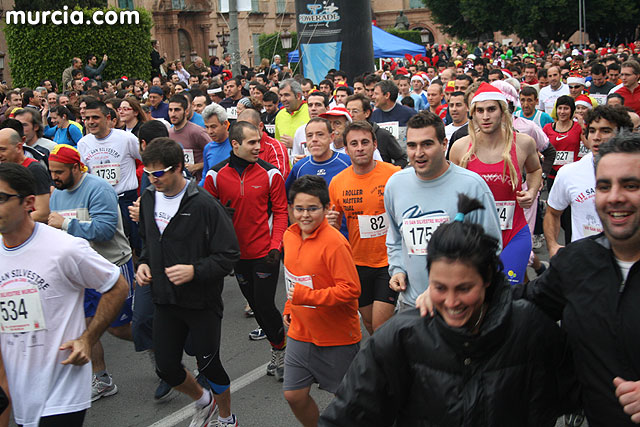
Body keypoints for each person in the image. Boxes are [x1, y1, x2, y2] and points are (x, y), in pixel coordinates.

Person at [321, 194, 577, 426]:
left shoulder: (529, 327)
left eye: (464, 288)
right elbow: (347, 416)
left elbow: (580, 390)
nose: (452, 302)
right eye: (440, 288)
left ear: (487, 279)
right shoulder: (400, 337)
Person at [0, 162, 128, 426]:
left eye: (1, 198)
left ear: (29, 203)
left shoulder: (64, 248)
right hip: (20, 390)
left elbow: (116, 285)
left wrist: (87, 339)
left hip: (62, 388)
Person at [136, 137, 241, 427]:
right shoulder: (148, 197)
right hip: (165, 298)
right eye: (148, 173)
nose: (153, 179)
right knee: (166, 368)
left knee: (209, 365)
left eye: (159, 173)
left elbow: (229, 255)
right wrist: (144, 263)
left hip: (200, 301)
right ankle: (203, 401)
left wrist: (194, 270)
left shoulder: (204, 204)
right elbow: (148, 242)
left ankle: (226, 418)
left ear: (179, 168)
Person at [384, 111, 501, 309]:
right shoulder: (395, 184)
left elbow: (491, 248)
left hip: (458, 307)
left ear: (444, 144)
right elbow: (395, 238)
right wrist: (397, 269)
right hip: (411, 304)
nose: (418, 153)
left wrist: (450, 287)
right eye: (412, 145)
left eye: (427, 144)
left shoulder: (473, 187)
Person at [47, 144, 136, 402]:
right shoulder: (57, 194)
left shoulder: (98, 189)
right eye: (52, 172)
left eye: (59, 172)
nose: (55, 177)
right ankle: (103, 379)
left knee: (120, 328)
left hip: (111, 264)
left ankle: (160, 348)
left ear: (76, 167)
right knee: (87, 324)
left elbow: (105, 230)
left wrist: (66, 224)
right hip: (78, 271)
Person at [203, 122, 288, 381]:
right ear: (235, 144)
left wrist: (276, 246)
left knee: (263, 304)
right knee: (256, 306)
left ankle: (281, 351)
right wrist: (219, 230)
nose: (258, 147)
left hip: (266, 253)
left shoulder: (271, 174)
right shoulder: (215, 176)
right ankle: (278, 345)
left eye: (259, 142)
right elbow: (206, 216)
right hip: (237, 257)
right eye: (252, 143)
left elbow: (282, 213)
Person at [282, 175, 361, 427]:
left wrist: (307, 297)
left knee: (349, 401)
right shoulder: (289, 236)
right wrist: (289, 305)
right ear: (291, 209)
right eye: (299, 208)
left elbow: (351, 289)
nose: (305, 215)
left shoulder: (335, 243)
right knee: (293, 395)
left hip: (335, 336)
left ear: (326, 209)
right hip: (300, 332)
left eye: (313, 209)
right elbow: (293, 279)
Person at [450, 82, 542, 285]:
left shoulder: (523, 143)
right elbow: (450, 189)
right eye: (480, 110)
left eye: (491, 109)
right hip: (475, 237)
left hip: (514, 233)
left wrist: (532, 191)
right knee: (481, 294)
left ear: (503, 111)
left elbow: (535, 170)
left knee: (508, 290)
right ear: (472, 113)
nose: (485, 116)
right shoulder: (460, 148)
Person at [327, 121, 400, 333]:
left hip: (389, 260)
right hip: (357, 262)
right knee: (369, 324)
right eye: (354, 144)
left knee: (380, 325)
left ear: (375, 144)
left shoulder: (394, 174)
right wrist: (331, 223)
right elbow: (333, 223)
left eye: (365, 142)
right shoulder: (338, 182)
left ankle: (390, 364)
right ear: (346, 148)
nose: (360, 148)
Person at [544, 105, 633, 257]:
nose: (596, 137)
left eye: (605, 131)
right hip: (584, 263)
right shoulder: (569, 172)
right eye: (592, 131)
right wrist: (553, 246)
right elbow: (552, 213)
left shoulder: (635, 172)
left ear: (622, 134)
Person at [77, 101, 142, 250]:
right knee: (109, 246)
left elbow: (147, 161)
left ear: (107, 118)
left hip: (126, 200)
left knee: (135, 245)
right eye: (87, 118)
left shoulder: (126, 138)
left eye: (95, 117)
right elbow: (83, 174)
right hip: (99, 202)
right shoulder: (83, 143)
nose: (90, 122)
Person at [0, 128, 51, 223]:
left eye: (3, 150)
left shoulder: (34, 169)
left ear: (19, 147)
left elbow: (43, 213)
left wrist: (10, 221)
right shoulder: (3, 171)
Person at [345, 94, 407, 167]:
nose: (350, 115)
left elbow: (402, 158)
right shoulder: (344, 135)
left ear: (367, 113)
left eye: (355, 111)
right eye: (348, 111)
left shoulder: (382, 135)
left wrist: (390, 173)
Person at [167, 94, 210, 182]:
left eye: (177, 110)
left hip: (199, 183)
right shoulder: (169, 133)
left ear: (186, 111)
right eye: (170, 110)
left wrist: (196, 166)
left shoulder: (197, 132)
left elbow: (215, 154)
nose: (173, 114)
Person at [370, 80, 416, 146]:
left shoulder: (410, 114)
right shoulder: (374, 115)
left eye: (376, 94)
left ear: (387, 95)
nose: (373, 97)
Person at [200, 103, 232, 186]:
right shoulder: (208, 148)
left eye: (213, 127)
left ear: (225, 124)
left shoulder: (236, 144)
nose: (210, 131)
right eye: (207, 127)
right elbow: (205, 177)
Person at [275, 79, 310, 150]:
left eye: (286, 95)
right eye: (281, 95)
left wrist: (295, 144)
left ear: (298, 96)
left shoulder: (311, 111)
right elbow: (278, 144)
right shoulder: (280, 115)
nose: (283, 99)